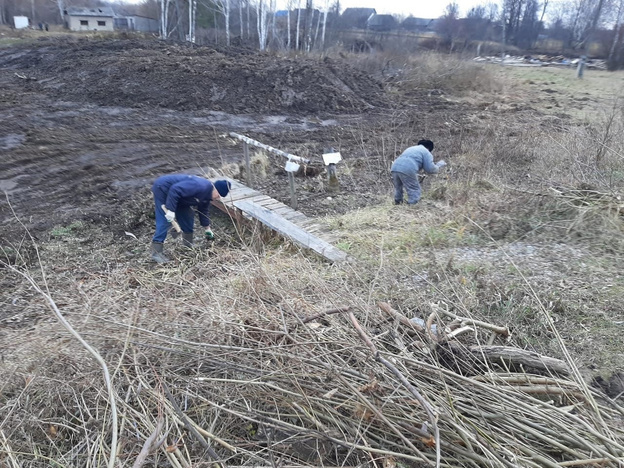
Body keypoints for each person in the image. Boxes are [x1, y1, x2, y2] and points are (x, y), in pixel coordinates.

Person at [150, 174, 231, 263]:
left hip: (180, 196)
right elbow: (175, 189)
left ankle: (188, 244)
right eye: (219, 195)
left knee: (187, 216)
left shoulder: (207, 195)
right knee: (165, 220)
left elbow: (203, 211)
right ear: (215, 189)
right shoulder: (201, 186)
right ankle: (156, 253)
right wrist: (171, 210)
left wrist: (207, 228)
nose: (218, 198)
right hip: (163, 188)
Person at [390, 139, 446, 205]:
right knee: (414, 189)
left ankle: (397, 203)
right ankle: (412, 206)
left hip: (395, 167)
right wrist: (438, 166)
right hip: (408, 168)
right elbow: (430, 169)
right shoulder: (426, 152)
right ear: (429, 148)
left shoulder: (411, 148)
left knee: (398, 188)